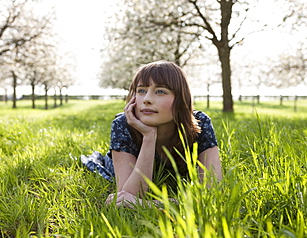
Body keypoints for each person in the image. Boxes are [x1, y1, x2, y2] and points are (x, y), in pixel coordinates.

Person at [81, 60, 222, 208]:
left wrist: (150, 205)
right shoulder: (122, 125)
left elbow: (211, 194)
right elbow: (127, 196)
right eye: (141, 90)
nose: (147, 99)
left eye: (160, 91)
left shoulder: (200, 123)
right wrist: (149, 137)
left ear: (180, 99)